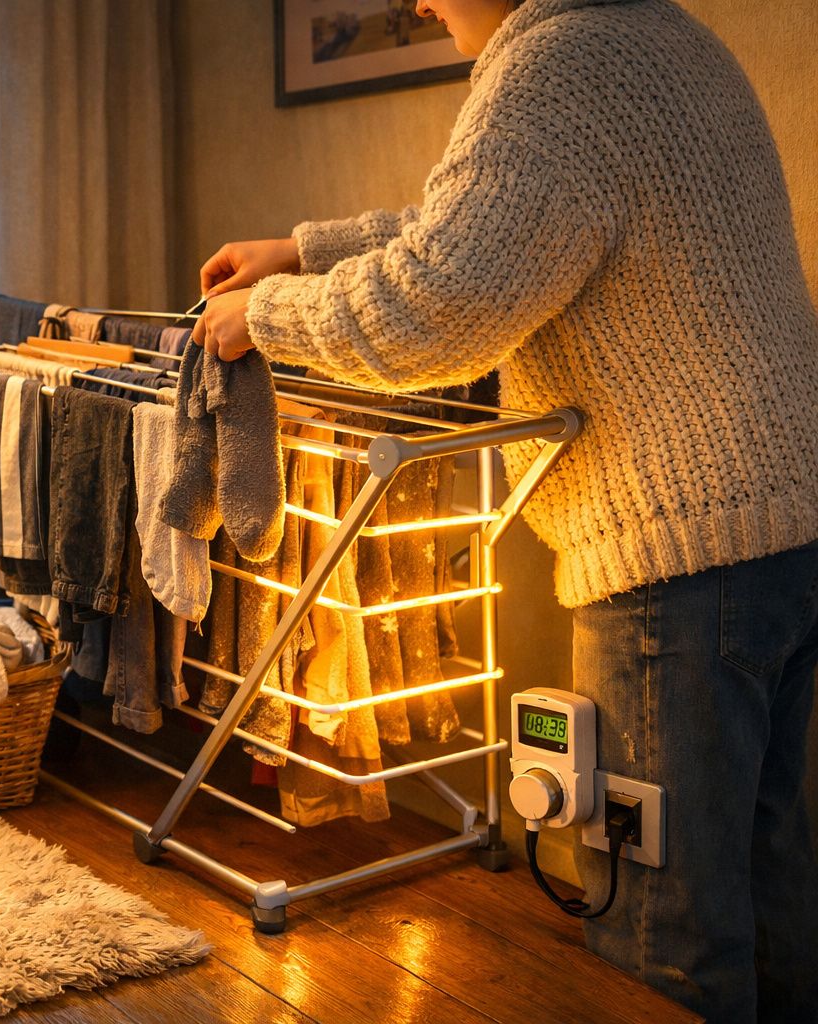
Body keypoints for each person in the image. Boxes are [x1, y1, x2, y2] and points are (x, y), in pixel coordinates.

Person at [190, 0, 818, 1020]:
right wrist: (306, 251)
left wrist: (259, 317)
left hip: (678, 559)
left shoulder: (558, 67)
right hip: (780, 523)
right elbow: (496, 221)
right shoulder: (662, 37)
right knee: (768, 876)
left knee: (664, 925)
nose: (425, 2)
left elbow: (436, 305)